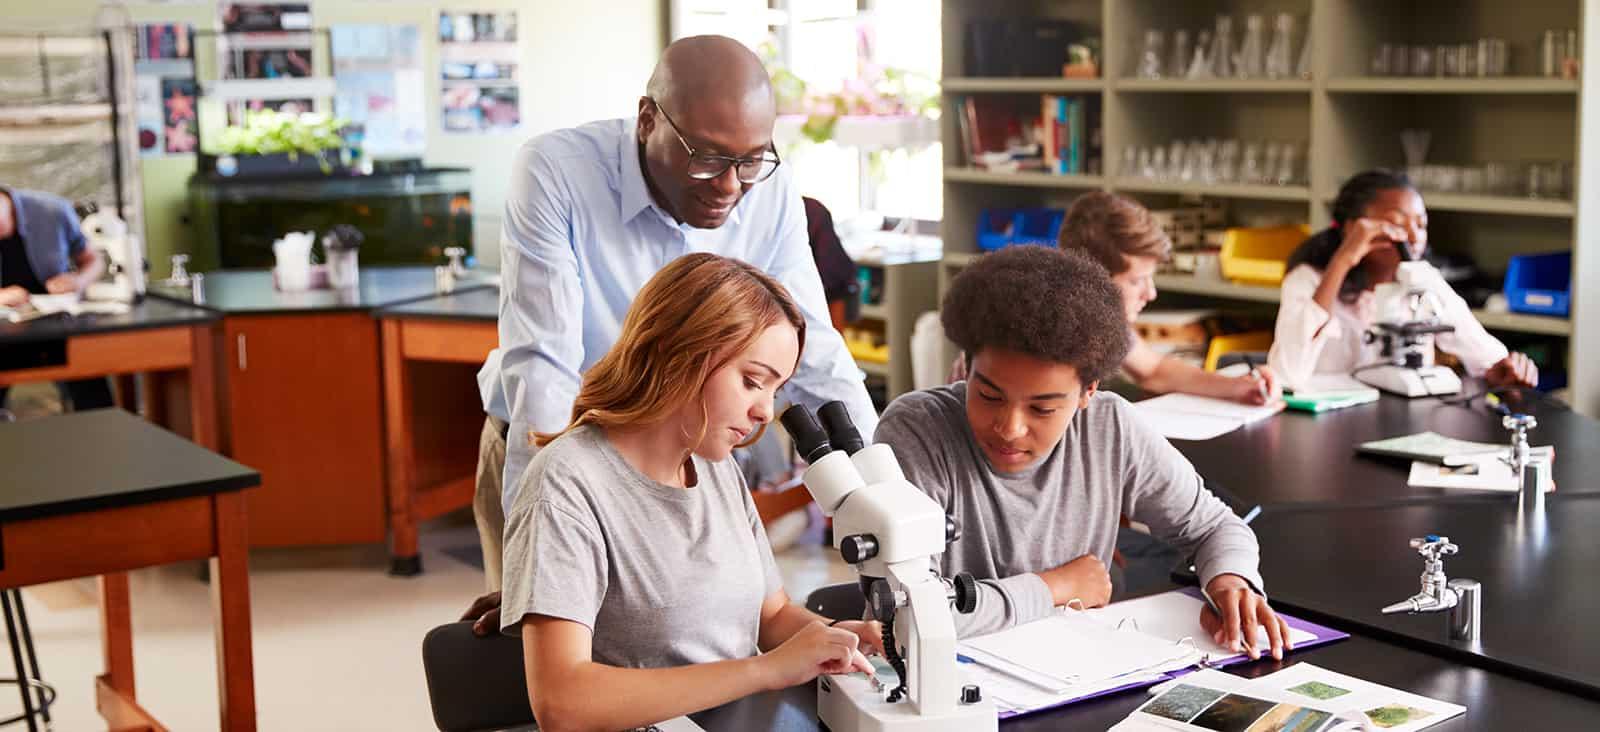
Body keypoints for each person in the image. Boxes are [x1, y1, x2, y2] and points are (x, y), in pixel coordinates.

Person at [470, 35, 877, 599]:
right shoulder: (556, 172)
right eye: (707, 157)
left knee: (681, 648)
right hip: (559, 447)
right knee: (547, 663)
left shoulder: (767, 188)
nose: (732, 185)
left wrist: (879, 485)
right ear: (646, 120)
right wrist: (536, 542)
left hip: (685, 453)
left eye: (751, 159)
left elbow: (818, 353)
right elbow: (544, 371)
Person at [502, 253, 878, 730]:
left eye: (775, 390)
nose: (765, 411)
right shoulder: (566, 484)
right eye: (752, 382)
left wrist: (835, 641)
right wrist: (765, 670)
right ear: (680, 354)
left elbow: (772, 614)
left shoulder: (714, 464)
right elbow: (562, 702)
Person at [876, 245, 1291, 659]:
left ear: (1087, 392)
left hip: (1076, 673)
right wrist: (1056, 587)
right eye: (987, 395)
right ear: (965, 368)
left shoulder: (1110, 426)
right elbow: (908, 617)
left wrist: (1231, 581)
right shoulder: (917, 432)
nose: (1010, 427)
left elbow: (1214, 526)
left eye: (1042, 408)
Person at [951, 192, 1279, 405]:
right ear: (1093, 279)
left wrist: (1236, 387)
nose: (1150, 293)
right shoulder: (1038, 332)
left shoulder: (1095, 319)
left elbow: (1154, 370)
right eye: (1137, 280)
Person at [1269, 170, 1538, 390]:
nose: (1413, 237)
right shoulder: (1307, 279)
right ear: (1352, 228)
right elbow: (1287, 373)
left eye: (1420, 225)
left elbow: (1482, 354)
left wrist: (1503, 370)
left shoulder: (1423, 280)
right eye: (1397, 224)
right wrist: (1342, 261)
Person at [0, 186, 109, 411]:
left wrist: (77, 281)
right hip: (4, 333)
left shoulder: (52, 210)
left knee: (93, 393)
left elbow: (94, 261)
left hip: (58, 324)